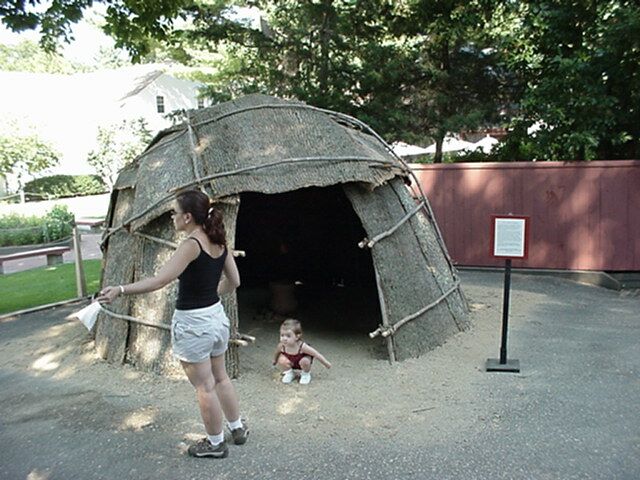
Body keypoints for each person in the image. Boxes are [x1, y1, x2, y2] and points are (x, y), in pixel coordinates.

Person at [97, 189, 247, 459]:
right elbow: (234, 282)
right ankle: (237, 428)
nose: (172, 216)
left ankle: (215, 444)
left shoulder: (191, 244)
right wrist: (210, 294)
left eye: (174, 212)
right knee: (221, 377)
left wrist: (120, 289)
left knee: (205, 386)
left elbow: (160, 280)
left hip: (194, 325)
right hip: (216, 318)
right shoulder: (219, 240)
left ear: (188, 217)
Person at [273, 318, 331, 385]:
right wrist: (275, 360)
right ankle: (289, 373)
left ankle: (305, 374)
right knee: (281, 359)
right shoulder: (281, 346)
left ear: (297, 337)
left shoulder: (302, 347)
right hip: (291, 362)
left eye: (288, 336)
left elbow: (316, 354)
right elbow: (277, 352)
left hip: (302, 362)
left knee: (305, 361)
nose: (284, 338)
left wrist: (325, 363)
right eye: (282, 335)